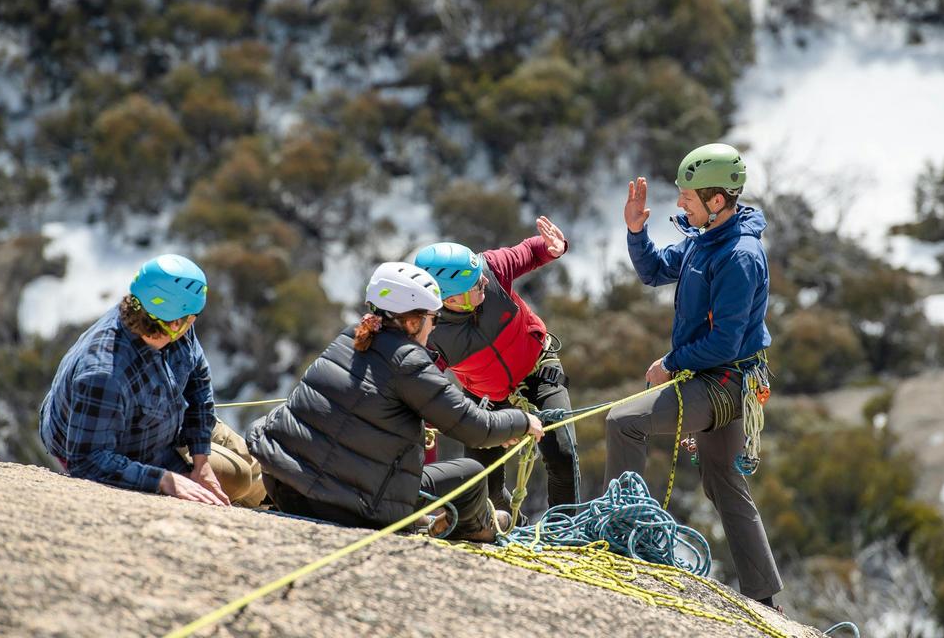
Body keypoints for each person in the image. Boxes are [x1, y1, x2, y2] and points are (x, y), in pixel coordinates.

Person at [605, 143, 783, 608]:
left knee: (624, 421)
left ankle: (616, 543)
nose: (680, 204)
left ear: (718, 201)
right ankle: (763, 598)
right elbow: (654, 271)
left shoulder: (739, 256)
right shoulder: (704, 239)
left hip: (721, 381)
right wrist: (636, 231)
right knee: (722, 477)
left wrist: (670, 365)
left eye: (688, 197)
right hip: (718, 378)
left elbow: (725, 342)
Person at [246, 262, 543, 541]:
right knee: (472, 476)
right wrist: (522, 421)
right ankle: (477, 529)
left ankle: (427, 519)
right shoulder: (409, 363)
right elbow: (474, 428)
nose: (435, 326)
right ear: (413, 322)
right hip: (346, 507)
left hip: (284, 485)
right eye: (433, 318)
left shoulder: (348, 339)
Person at [40, 254, 265, 507]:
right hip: (126, 445)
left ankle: (274, 498)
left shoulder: (166, 317)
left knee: (257, 458)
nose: (194, 323)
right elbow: (87, 459)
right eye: (192, 317)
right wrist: (163, 479)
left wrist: (201, 460)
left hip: (167, 416)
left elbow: (198, 381)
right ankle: (265, 507)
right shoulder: (103, 374)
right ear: (174, 323)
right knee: (239, 477)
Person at [413, 217, 579, 514]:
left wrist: (552, 247)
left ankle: (565, 531)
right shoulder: (430, 334)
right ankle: (515, 531)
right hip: (487, 398)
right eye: (476, 285)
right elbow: (425, 395)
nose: (485, 282)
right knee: (484, 487)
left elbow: (527, 253)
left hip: (539, 371)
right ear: (452, 299)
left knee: (562, 454)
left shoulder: (489, 268)